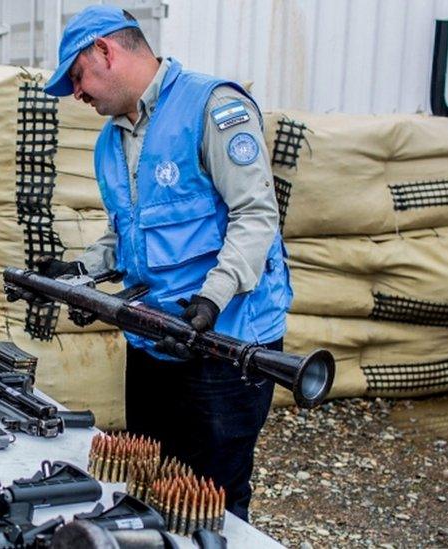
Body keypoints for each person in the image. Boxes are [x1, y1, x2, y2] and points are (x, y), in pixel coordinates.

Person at [40, 6, 292, 522]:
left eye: (78, 77)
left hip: (227, 345)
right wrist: (80, 273)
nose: (78, 94)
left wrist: (210, 300)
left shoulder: (213, 107)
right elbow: (124, 234)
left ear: (105, 52)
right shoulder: (111, 141)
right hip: (155, 342)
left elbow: (255, 215)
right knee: (150, 486)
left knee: (211, 502)